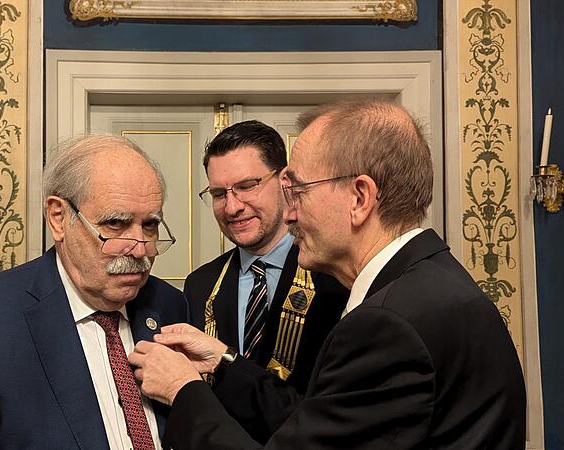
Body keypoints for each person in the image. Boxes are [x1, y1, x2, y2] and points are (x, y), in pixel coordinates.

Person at [129, 99, 527, 449]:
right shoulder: (435, 282)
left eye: (299, 190)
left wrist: (183, 389)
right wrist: (222, 363)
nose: (288, 212)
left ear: (359, 198)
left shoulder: (388, 325)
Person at [0, 135, 189, 449]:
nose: (140, 248)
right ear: (59, 218)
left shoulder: (169, 306)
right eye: (116, 224)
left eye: (150, 225)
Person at [186, 120, 348, 442]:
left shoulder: (335, 276)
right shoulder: (200, 285)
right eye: (219, 193)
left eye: (247, 186)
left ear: (285, 182)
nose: (232, 207)